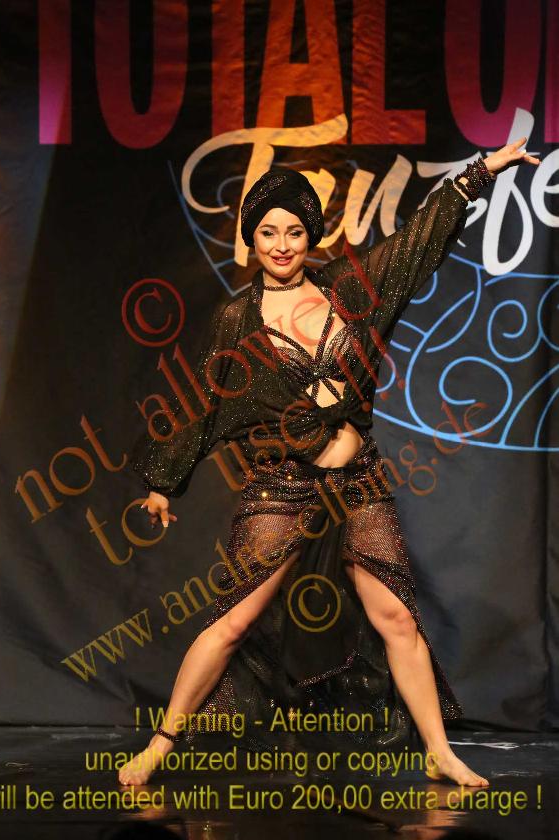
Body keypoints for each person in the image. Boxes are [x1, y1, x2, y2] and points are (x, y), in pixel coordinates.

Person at [119, 139, 539, 788]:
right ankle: (160, 744)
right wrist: (161, 485)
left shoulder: (351, 290)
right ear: (252, 239)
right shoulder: (236, 320)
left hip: (358, 480)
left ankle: (439, 751)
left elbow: (418, 239)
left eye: (293, 231)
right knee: (233, 620)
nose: (282, 245)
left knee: (397, 617)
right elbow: (201, 402)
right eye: (268, 232)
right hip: (282, 485)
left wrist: (480, 171)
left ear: (310, 235)